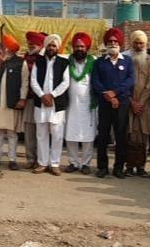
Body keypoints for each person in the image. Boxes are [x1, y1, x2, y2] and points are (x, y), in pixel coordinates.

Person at [91, 28, 135, 179]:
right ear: (106, 44)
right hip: (104, 103)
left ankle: (118, 168)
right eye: (110, 41)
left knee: (121, 136)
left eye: (115, 41)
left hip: (122, 104)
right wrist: (108, 95)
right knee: (103, 136)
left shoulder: (127, 61)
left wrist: (115, 93)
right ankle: (102, 167)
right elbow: (95, 82)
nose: (113, 43)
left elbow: (130, 81)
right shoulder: (99, 62)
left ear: (120, 44)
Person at [0, 33, 27, 169]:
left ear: (11, 49)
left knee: (12, 134)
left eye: (5, 47)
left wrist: (22, 98)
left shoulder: (21, 62)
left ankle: (12, 160)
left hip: (12, 102)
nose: (2, 50)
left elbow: (25, 82)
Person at [30, 34, 70, 175]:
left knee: (57, 134)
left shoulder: (63, 62)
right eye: (49, 45)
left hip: (56, 103)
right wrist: (42, 95)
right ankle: (42, 163)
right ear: (45, 47)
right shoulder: (38, 61)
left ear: (57, 48)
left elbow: (66, 82)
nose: (51, 48)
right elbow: (33, 81)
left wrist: (52, 95)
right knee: (41, 134)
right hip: (41, 103)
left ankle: (54, 164)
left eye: (54, 46)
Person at [62, 32, 97, 175]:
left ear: (87, 47)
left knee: (88, 135)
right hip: (71, 104)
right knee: (71, 133)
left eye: (82, 46)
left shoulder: (93, 61)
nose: (79, 49)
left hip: (88, 104)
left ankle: (86, 163)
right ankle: (73, 162)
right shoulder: (67, 61)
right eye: (77, 46)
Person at [125, 30, 150, 177]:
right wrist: (131, 102)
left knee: (143, 135)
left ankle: (141, 167)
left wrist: (140, 103)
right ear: (132, 43)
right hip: (128, 103)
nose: (138, 46)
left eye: (141, 43)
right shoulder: (125, 58)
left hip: (144, 105)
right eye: (136, 43)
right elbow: (123, 83)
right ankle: (129, 166)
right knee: (129, 134)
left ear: (146, 44)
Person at [22, 31, 46, 169]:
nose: (30, 46)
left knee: (42, 131)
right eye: (29, 43)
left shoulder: (46, 58)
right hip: (30, 99)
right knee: (30, 130)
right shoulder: (26, 57)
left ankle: (42, 159)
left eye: (33, 44)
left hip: (45, 100)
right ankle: (31, 159)